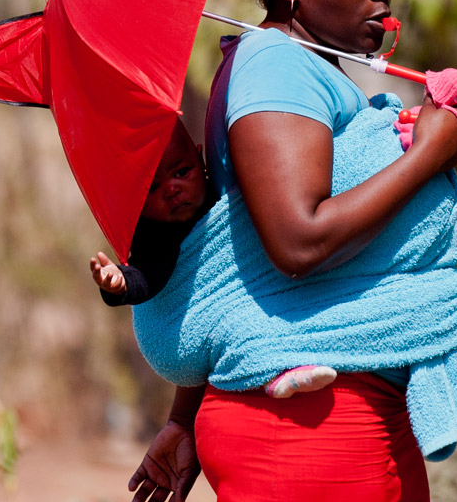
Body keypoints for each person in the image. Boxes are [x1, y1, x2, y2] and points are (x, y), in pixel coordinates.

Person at [122, 0, 457, 502]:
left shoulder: (295, 68)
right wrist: (432, 152)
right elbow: (295, 241)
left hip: (333, 417)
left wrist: (186, 417)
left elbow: (239, 266)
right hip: (309, 432)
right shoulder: (277, 72)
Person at [88, 118, 338, 399]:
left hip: (256, 290)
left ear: (201, 159)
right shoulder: (153, 233)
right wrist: (120, 283)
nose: (171, 189)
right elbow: (147, 274)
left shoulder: (221, 190)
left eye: (182, 172)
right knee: (239, 329)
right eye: (153, 188)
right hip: (204, 318)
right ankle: (275, 373)